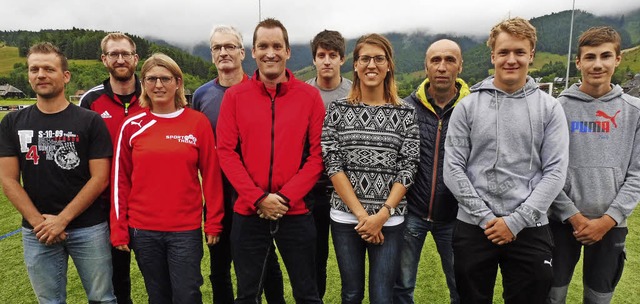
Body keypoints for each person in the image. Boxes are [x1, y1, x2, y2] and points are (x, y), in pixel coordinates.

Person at [443, 17, 570, 303]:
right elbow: (452, 168)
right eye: (503, 52)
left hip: (530, 227)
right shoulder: (468, 106)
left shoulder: (550, 108)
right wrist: (488, 219)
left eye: (519, 52)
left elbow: (555, 172)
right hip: (476, 226)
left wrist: (515, 222)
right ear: (493, 55)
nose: (511, 59)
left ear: (532, 55)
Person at [216, 18, 325, 303]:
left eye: (277, 46)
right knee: (248, 294)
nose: (270, 52)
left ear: (288, 51)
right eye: (263, 46)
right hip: (249, 212)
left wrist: (285, 198)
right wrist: (258, 198)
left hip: (296, 211)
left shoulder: (310, 97)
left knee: (308, 294)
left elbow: (317, 156)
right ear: (252, 51)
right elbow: (226, 152)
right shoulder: (235, 97)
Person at [0, 42, 116, 303]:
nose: (40, 74)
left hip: (88, 227)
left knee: (102, 298)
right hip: (36, 230)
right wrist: (40, 223)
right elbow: (8, 179)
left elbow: (100, 178)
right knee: (49, 301)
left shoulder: (89, 120)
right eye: (34, 69)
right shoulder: (13, 123)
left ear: (65, 76)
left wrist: (62, 220)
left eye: (49, 69)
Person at [110, 53, 224, 304]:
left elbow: (212, 175)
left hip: (185, 229)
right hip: (144, 230)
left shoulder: (197, 123)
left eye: (165, 78)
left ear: (178, 82)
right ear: (143, 84)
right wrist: (119, 229)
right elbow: (120, 181)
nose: (158, 85)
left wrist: (213, 221)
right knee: (158, 295)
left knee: (188, 294)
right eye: (151, 79)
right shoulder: (131, 125)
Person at [321, 33, 420, 304]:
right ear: (355, 65)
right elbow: (332, 163)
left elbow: (408, 166)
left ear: (389, 65)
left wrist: (382, 215)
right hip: (345, 218)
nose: (371, 65)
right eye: (365, 58)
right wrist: (363, 216)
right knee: (351, 294)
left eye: (379, 58)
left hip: (390, 219)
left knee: (382, 297)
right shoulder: (337, 111)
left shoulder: (406, 113)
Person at [192, 25, 285, 304]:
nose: (224, 52)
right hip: (217, 194)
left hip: (255, 194)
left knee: (265, 262)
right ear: (212, 55)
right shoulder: (201, 95)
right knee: (219, 264)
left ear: (243, 52)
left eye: (230, 46)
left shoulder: (259, 90)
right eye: (218, 48)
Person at [547, 26, 640, 304]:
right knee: (552, 296)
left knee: (599, 298)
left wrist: (608, 219)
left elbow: (637, 175)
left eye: (605, 56)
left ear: (618, 59)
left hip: (610, 225)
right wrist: (572, 215)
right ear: (578, 62)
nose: (597, 64)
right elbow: (545, 169)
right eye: (589, 57)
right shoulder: (556, 108)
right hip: (560, 222)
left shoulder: (634, 111)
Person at [393, 39, 469, 304]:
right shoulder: (406, 107)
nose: (442, 67)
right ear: (425, 66)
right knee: (401, 285)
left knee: (460, 283)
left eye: (449, 60)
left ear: (460, 65)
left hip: (455, 216)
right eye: (435, 60)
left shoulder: (472, 108)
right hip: (412, 212)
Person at [79, 32, 142, 304]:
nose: (120, 59)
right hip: (105, 205)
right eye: (113, 54)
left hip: (147, 203)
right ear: (104, 59)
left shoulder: (154, 92)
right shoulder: (91, 101)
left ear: (135, 58)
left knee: (159, 275)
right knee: (115, 280)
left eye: (125, 53)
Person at [305, 29, 352, 300]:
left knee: (350, 262)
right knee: (315, 258)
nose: (326, 61)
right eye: (321, 55)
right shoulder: (304, 93)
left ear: (342, 59)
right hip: (313, 190)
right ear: (313, 59)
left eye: (332, 55)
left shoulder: (353, 93)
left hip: (347, 189)